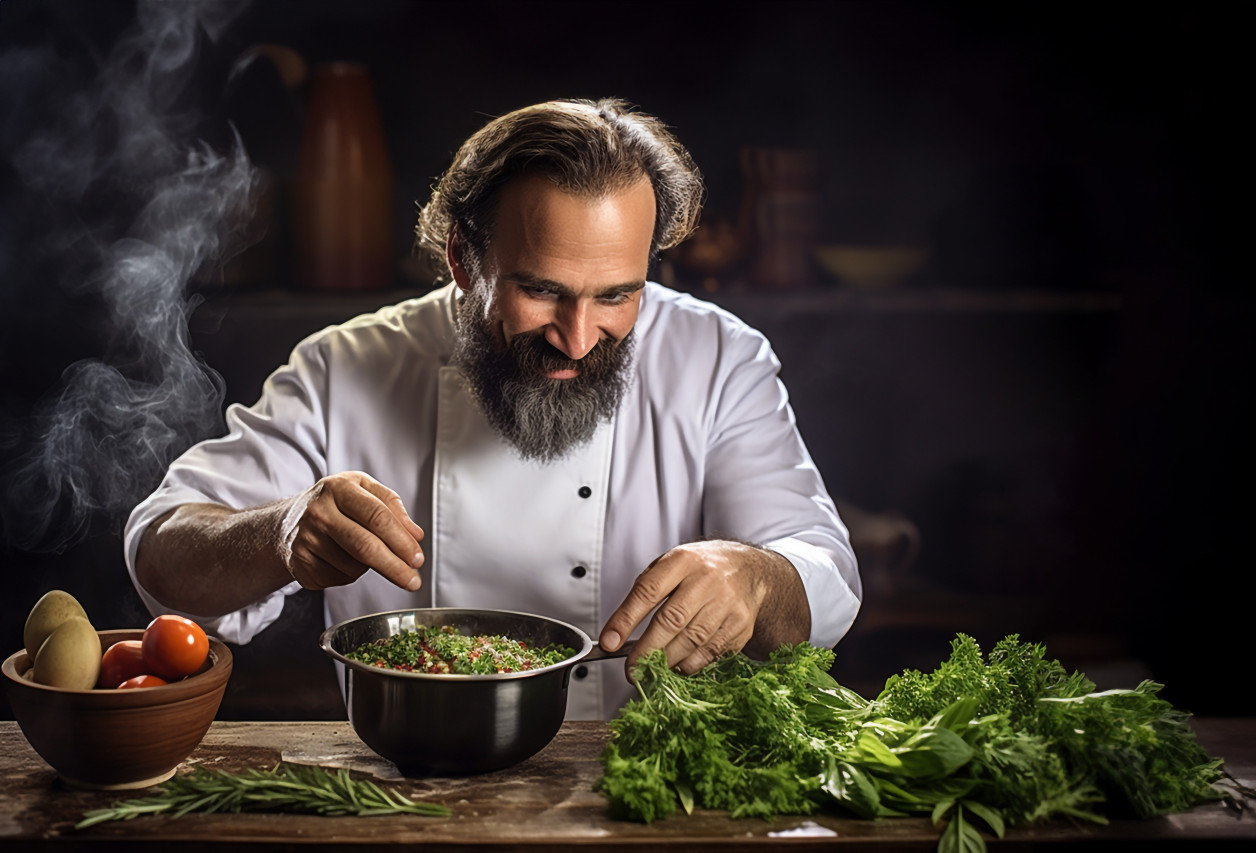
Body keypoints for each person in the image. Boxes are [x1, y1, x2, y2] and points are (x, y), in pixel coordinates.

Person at [125, 98, 861, 720]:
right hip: (410, 786)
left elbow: (823, 572)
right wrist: (278, 532)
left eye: (617, 294)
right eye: (541, 289)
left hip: (646, 790)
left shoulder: (717, 358)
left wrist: (756, 577)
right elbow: (161, 548)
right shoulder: (345, 366)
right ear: (462, 260)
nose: (578, 336)